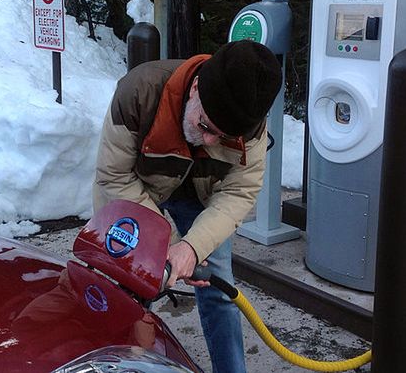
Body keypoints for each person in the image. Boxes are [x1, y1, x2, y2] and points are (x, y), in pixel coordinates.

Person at [93, 39, 282, 373]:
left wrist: (193, 248)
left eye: (222, 137)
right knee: (128, 287)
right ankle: (124, 363)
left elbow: (239, 192)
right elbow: (114, 176)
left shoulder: (250, 123)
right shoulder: (139, 92)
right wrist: (163, 247)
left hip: (202, 197)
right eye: (206, 126)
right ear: (195, 88)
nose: (209, 140)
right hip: (138, 191)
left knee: (219, 288)